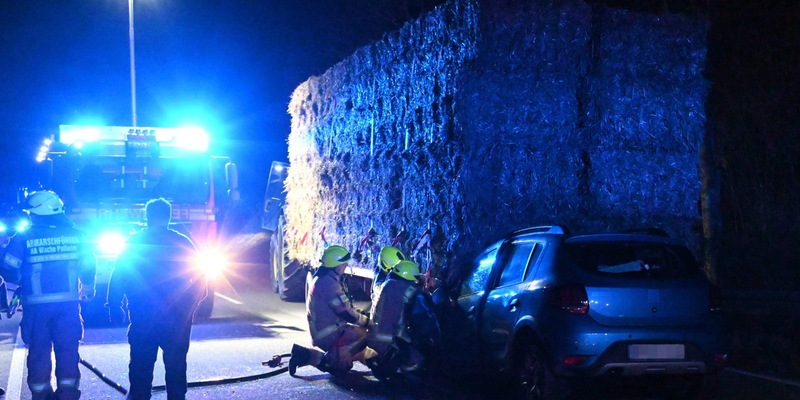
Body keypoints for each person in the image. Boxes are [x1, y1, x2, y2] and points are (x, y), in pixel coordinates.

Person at [106, 198, 206, 400]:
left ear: (147, 217)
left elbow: (118, 279)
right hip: (176, 321)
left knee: (140, 371)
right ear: (169, 217)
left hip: (143, 318)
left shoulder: (133, 243)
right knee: (176, 369)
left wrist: (115, 306)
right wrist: (189, 309)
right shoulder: (182, 242)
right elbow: (201, 282)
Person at [1, 190, 96, 400]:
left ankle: (41, 394)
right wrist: (88, 288)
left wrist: (22, 278)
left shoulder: (24, 237)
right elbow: (89, 265)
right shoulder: (76, 235)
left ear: (39, 213)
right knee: (68, 350)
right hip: (67, 307)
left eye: (31, 213)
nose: (30, 217)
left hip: (36, 308)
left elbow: (8, 267)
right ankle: (68, 394)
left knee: (39, 353)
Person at [289, 245, 370, 376]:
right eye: (344, 265)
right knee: (365, 335)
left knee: (355, 345)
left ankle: (304, 354)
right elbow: (345, 312)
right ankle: (335, 359)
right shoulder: (329, 284)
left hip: (325, 331)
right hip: (328, 333)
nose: (345, 267)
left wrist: (361, 314)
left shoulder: (325, 278)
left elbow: (344, 306)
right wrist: (366, 321)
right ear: (336, 266)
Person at [366, 260, 439, 379]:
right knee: (420, 360)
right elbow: (424, 317)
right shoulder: (409, 290)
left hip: (374, 336)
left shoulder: (386, 284)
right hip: (390, 341)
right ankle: (396, 367)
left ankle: (385, 361)